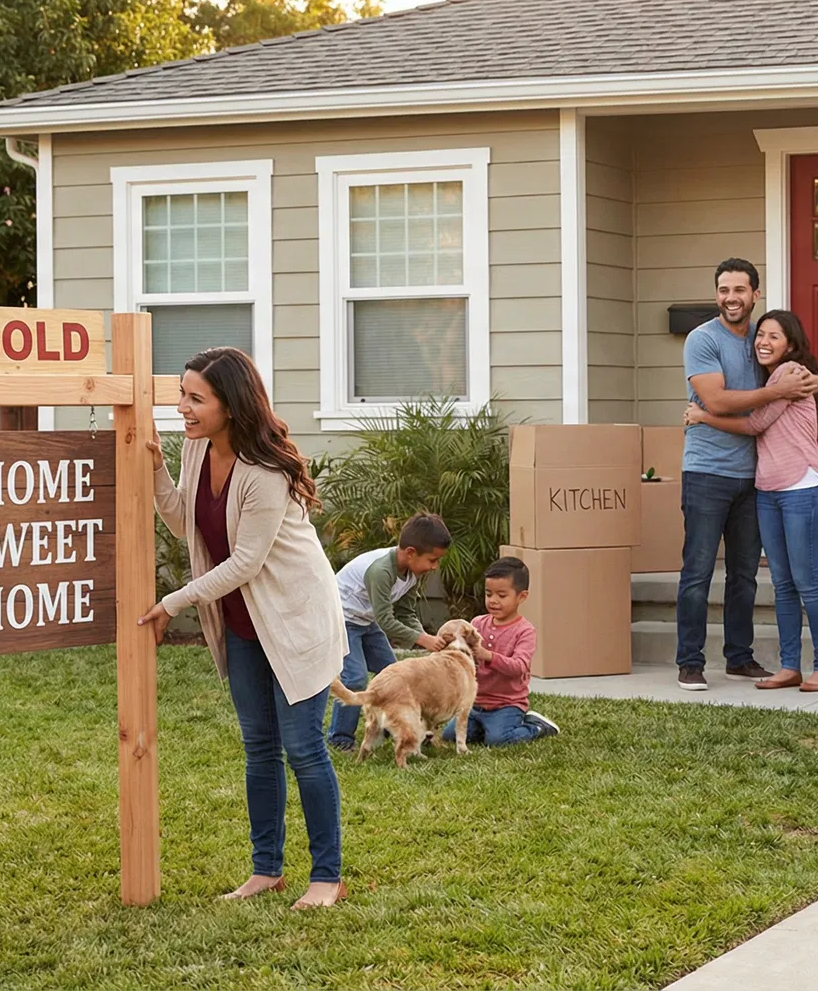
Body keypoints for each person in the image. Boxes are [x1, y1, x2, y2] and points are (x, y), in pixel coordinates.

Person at [136, 346, 349, 910]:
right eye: (182, 394)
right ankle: (266, 870)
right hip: (242, 622)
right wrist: (158, 470)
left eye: (194, 398)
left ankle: (327, 877)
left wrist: (173, 601)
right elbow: (187, 523)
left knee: (303, 748)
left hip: (295, 618)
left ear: (229, 405)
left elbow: (246, 561)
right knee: (259, 747)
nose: (182, 406)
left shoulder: (266, 472)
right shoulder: (196, 448)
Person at [676, 258, 818, 692]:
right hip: (706, 471)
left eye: (739, 290)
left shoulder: (764, 338)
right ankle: (690, 662)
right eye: (723, 290)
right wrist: (776, 391)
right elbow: (716, 402)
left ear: (755, 294)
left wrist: (814, 381)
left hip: (755, 477)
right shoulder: (702, 340)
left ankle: (739, 658)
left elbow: (800, 369)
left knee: (743, 574)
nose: (731, 298)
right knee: (698, 571)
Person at [327, 514, 452, 751]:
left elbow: (405, 613)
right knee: (354, 678)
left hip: (367, 620)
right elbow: (386, 620)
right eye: (432, 560)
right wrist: (423, 639)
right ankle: (339, 739)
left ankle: (389, 726)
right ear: (411, 552)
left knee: (396, 675)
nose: (435, 567)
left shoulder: (412, 572)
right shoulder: (381, 571)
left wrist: (425, 636)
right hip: (341, 621)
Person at [444, 556, 559, 745]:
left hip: (506, 704)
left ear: (521, 596)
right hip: (475, 702)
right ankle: (484, 728)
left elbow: (518, 667)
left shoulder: (524, 631)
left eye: (502, 595)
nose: (493, 601)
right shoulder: (477, 623)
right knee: (450, 735)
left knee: (499, 740)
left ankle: (536, 726)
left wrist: (487, 656)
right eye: (489, 594)